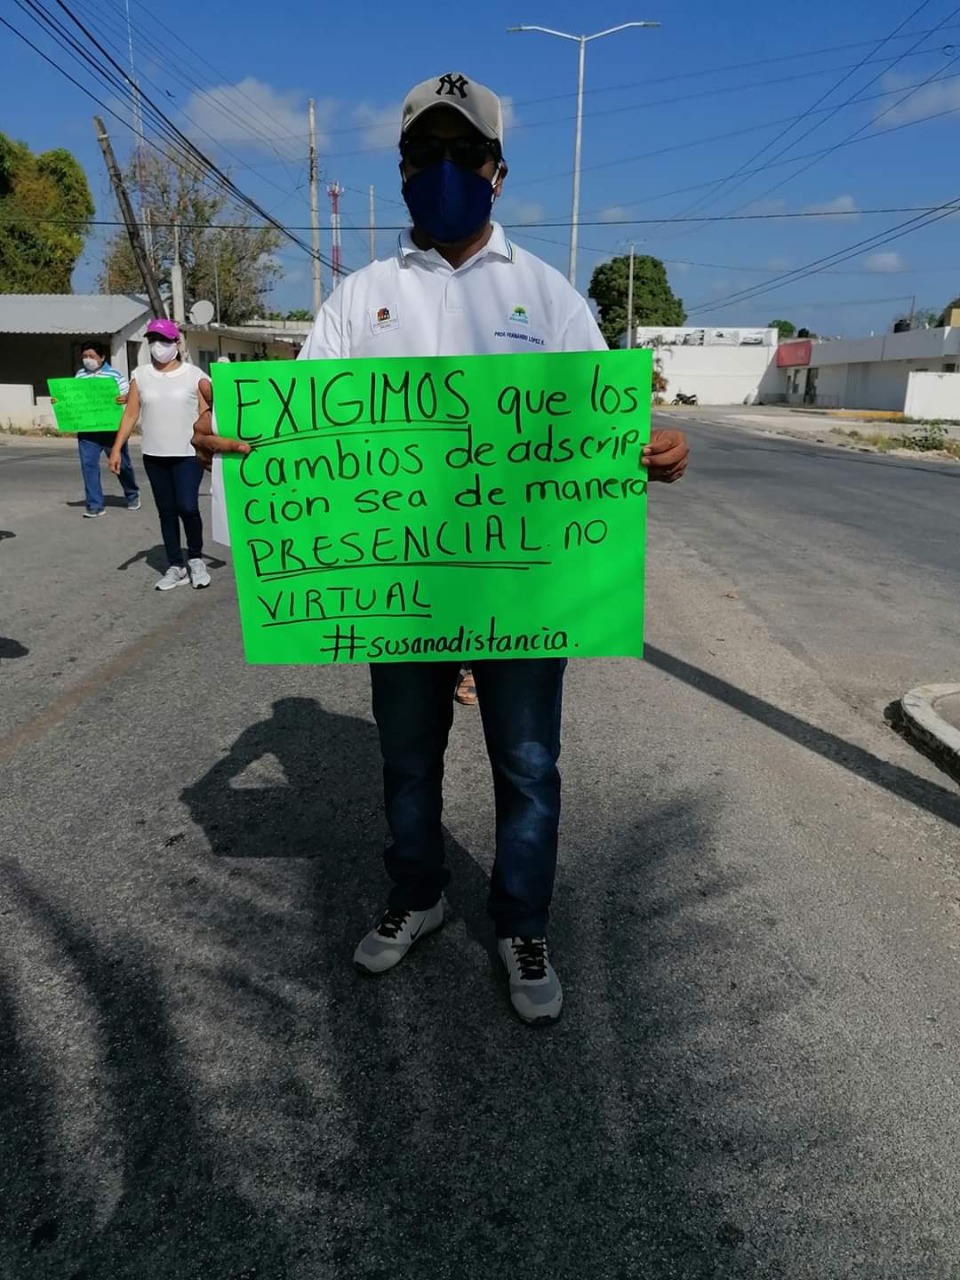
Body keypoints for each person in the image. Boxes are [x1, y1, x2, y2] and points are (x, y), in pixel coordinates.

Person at [194, 73, 689, 1024]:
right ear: (402, 167)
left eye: (465, 152)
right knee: (409, 762)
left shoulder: (547, 295)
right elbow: (305, 435)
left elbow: (608, 431)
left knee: (529, 766)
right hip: (400, 590)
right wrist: (240, 438)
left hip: (525, 589)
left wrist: (658, 451)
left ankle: (521, 923)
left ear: (498, 170)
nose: (446, 169)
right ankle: (417, 894)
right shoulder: (359, 299)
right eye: (427, 152)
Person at [109, 319, 213, 591]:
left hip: (188, 454)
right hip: (154, 455)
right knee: (166, 512)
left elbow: (207, 414)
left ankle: (196, 558)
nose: (158, 346)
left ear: (177, 344)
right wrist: (117, 449)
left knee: (187, 507)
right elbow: (130, 414)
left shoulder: (195, 375)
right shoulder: (141, 375)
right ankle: (175, 565)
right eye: (153, 340)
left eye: (165, 341)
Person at [73, 339, 140, 518]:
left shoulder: (114, 375)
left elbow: (130, 394)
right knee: (88, 466)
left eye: (92, 356)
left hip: (112, 429)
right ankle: (95, 505)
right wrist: (60, 400)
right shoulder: (80, 375)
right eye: (85, 356)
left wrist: (126, 397)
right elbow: (73, 398)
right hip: (88, 429)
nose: (88, 359)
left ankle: (132, 494)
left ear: (102, 357)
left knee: (122, 464)